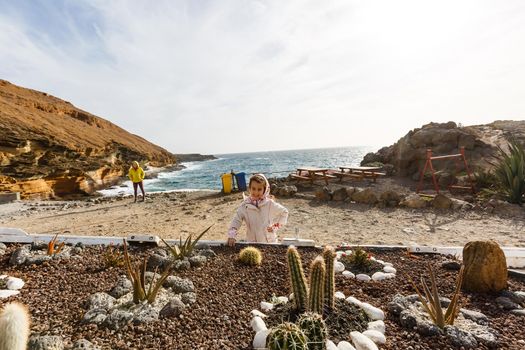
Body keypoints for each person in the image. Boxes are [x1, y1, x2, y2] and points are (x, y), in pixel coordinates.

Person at [227, 173, 288, 246]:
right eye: (253, 188)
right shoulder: (244, 205)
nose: (256, 192)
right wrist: (232, 235)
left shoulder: (270, 204)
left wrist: (275, 226)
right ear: (249, 188)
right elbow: (236, 220)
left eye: (259, 189)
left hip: (270, 243)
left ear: (265, 189)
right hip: (252, 243)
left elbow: (284, 212)